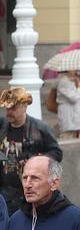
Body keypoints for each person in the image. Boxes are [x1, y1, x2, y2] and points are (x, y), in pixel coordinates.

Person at [1, 87, 62, 216]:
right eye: (7, 109)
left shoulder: (40, 129)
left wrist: (36, 162)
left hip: (29, 192)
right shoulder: (1, 126)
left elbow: (56, 153)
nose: (8, 112)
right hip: (4, 191)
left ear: (24, 106)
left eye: (13, 108)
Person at [53, 69, 80, 140]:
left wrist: (78, 84)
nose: (77, 71)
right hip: (68, 117)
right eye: (74, 69)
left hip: (74, 117)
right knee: (67, 139)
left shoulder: (72, 81)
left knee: (74, 138)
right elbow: (74, 98)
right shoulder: (64, 82)